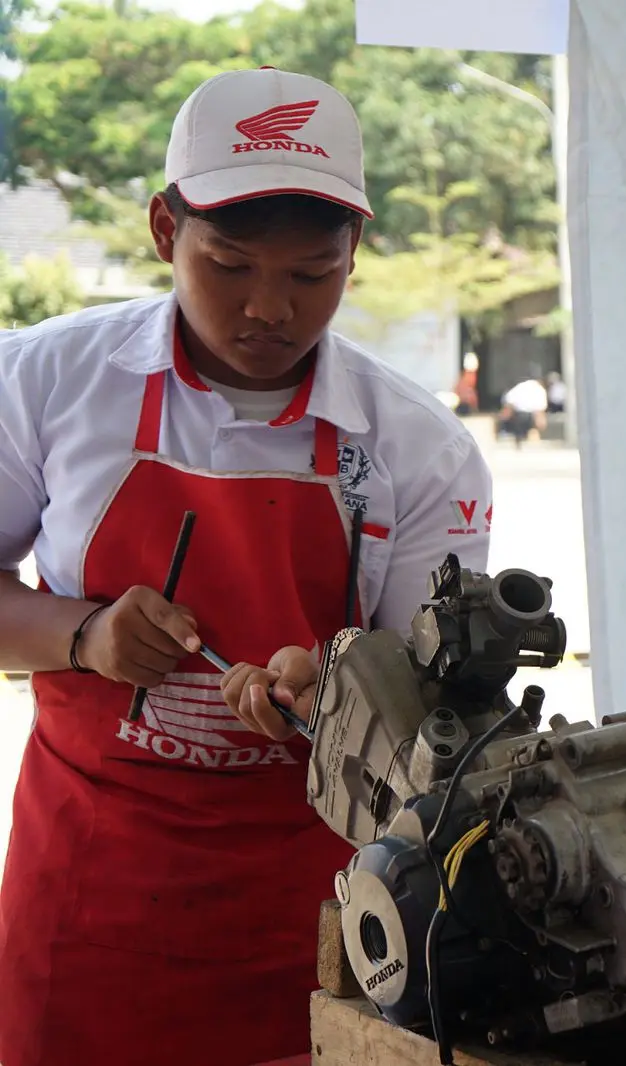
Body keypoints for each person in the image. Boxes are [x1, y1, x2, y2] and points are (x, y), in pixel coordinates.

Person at [0, 67, 493, 1066]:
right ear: (161, 230)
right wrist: (83, 636)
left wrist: (348, 691)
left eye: (312, 275)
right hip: (90, 883)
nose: (268, 308)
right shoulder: (47, 379)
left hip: (316, 900)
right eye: (227, 265)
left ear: (356, 252)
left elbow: (447, 711)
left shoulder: (419, 446)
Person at [498, 374, 549, 447]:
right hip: (531, 414)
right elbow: (540, 408)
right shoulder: (539, 389)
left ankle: (518, 440)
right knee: (533, 429)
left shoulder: (520, 386)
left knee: (518, 430)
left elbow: (509, 399)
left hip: (518, 413)